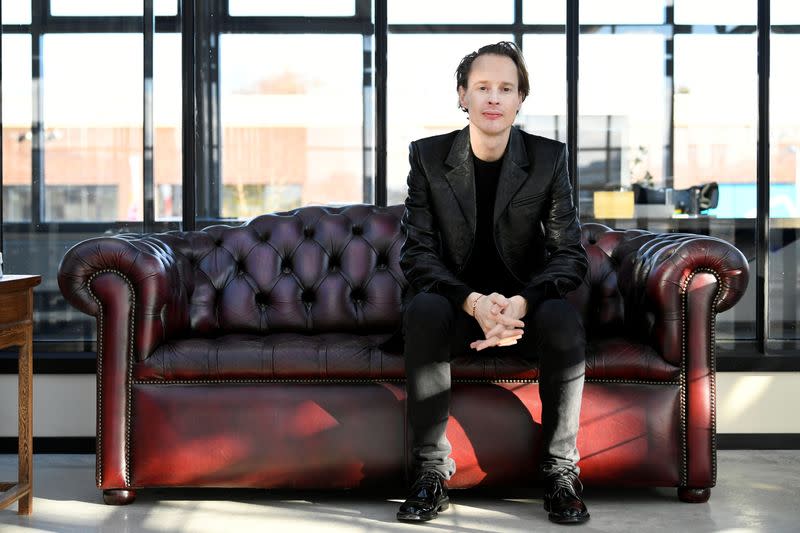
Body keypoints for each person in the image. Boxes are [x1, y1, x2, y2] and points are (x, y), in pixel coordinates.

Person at [395, 41, 590, 525]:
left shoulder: (548, 159)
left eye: (506, 88)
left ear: (521, 98)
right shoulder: (428, 156)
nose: (493, 98)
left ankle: (561, 471)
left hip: (525, 313)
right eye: (482, 87)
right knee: (422, 309)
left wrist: (520, 303)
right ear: (462, 95)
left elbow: (569, 255)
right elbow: (416, 254)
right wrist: (473, 302)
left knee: (564, 318)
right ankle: (430, 473)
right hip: (456, 308)